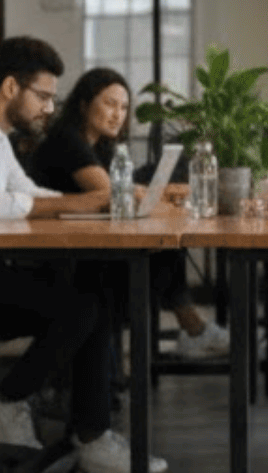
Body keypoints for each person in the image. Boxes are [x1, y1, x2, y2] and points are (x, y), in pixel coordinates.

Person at [0, 36, 166, 473]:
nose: (47, 107)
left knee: (91, 292)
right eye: (42, 96)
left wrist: (88, 206)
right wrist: (78, 204)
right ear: (9, 88)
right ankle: (3, 399)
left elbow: (26, 193)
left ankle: (91, 436)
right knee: (83, 304)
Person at [26, 67, 229, 360]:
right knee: (162, 252)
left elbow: (129, 192)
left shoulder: (101, 146)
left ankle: (181, 331)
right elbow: (119, 196)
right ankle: (181, 331)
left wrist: (158, 195)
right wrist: (159, 198)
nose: (118, 114)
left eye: (123, 107)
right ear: (83, 104)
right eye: (109, 104)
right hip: (60, 258)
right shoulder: (68, 141)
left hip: (86, 248)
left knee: (165, 248)